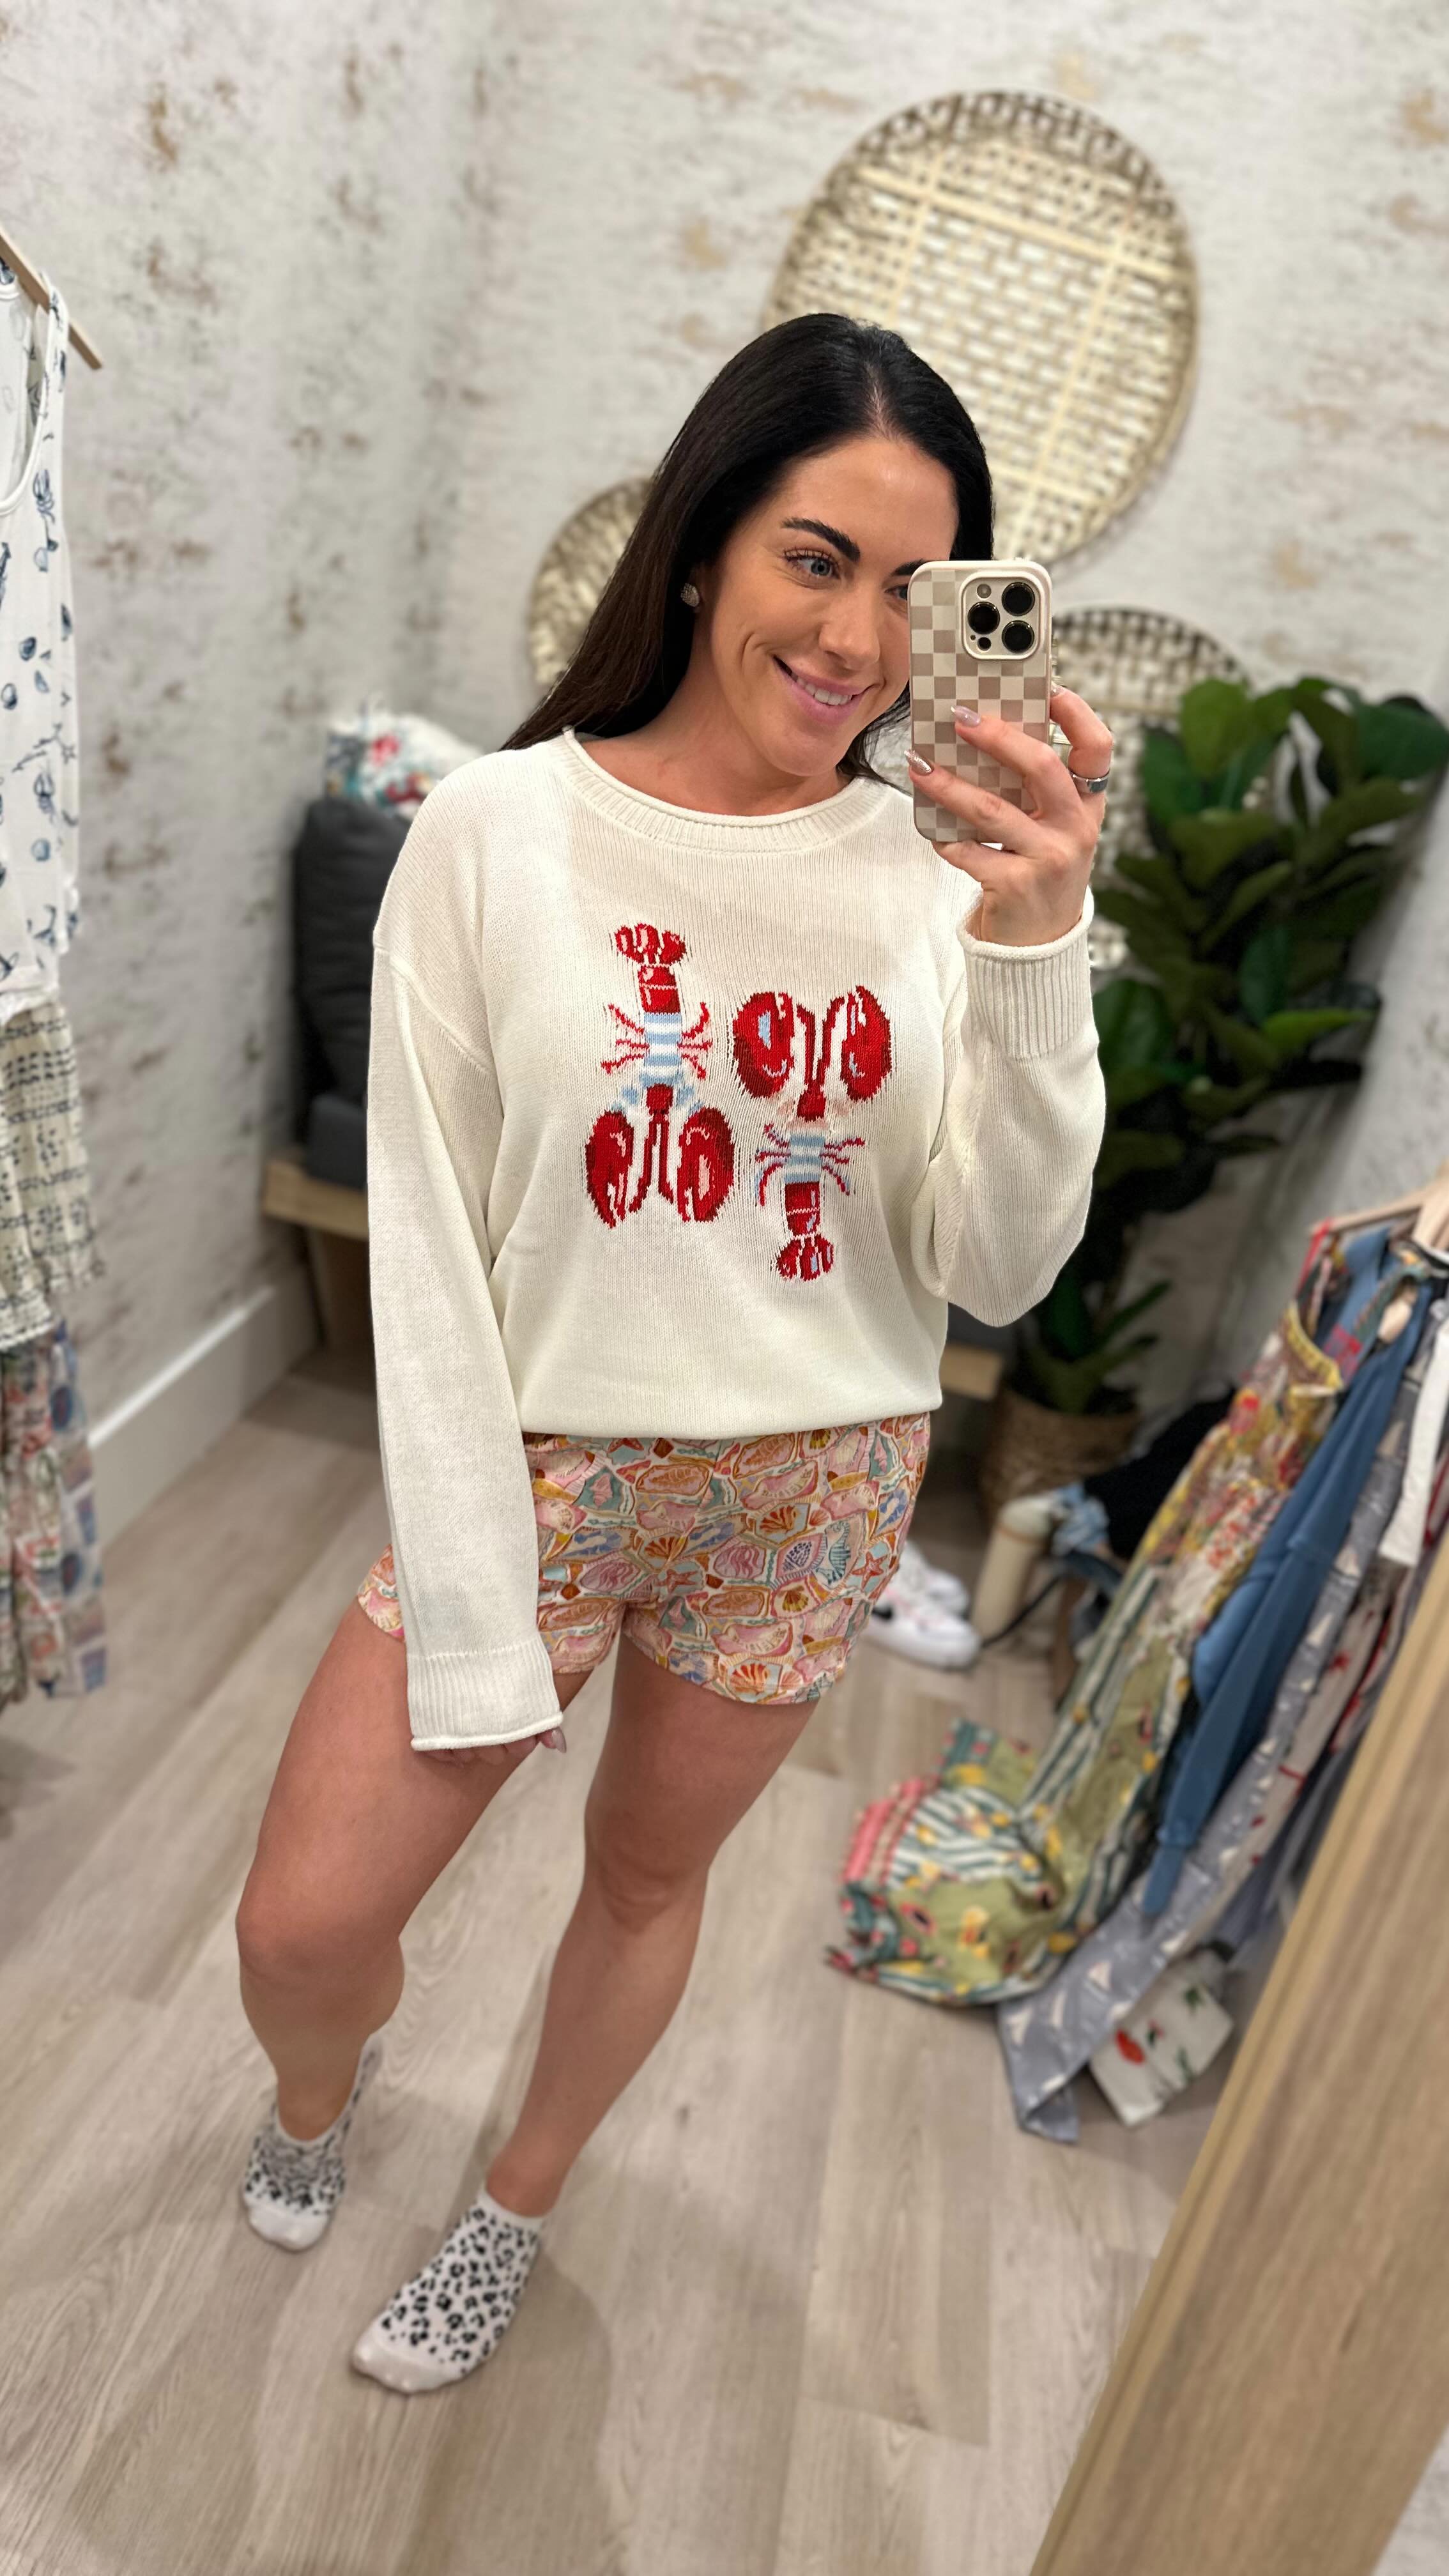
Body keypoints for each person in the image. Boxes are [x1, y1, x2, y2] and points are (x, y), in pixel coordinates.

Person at [233, 311, 1111, 2396]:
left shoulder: (946, 876)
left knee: (644, 1883)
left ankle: (515, 2204)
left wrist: (1034, 947)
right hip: (541, 1463)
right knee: (304, 1929)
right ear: (705, 544)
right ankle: (314, 2093)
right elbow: (427, 1248)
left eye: (917, 589)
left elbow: (998, 1264)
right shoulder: (497, 831)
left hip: (813, 1480)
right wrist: (473, 1591)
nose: (861, 639)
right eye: (817, 558)